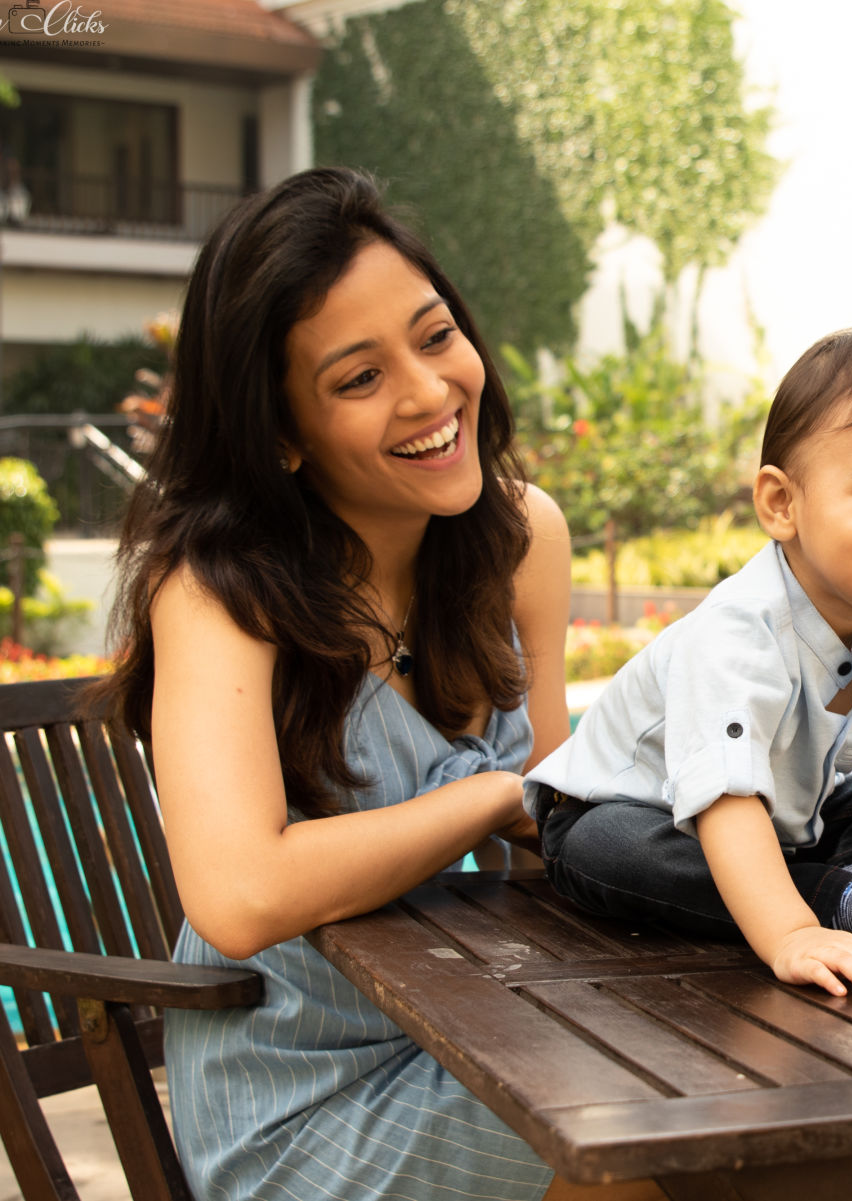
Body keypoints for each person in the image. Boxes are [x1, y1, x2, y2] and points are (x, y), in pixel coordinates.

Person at [96, 167, 657, 1201]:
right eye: (359, 378)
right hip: (298, 1100)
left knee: (739, 1091)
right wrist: (489, 795)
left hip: (484, 1023)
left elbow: (553, 834)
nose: (431, 392)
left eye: (436, 335)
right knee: (640, 1137)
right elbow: (240, 892)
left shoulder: (521, 537)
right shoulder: (220, 591)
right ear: (278, 434)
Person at [529, 328, 852, 997]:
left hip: (784, 817)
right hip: (640, 812)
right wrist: (793, 933)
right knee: (613, 848)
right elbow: (727, 802)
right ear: (782, 503)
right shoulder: (736, 634)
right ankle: (835, 900)